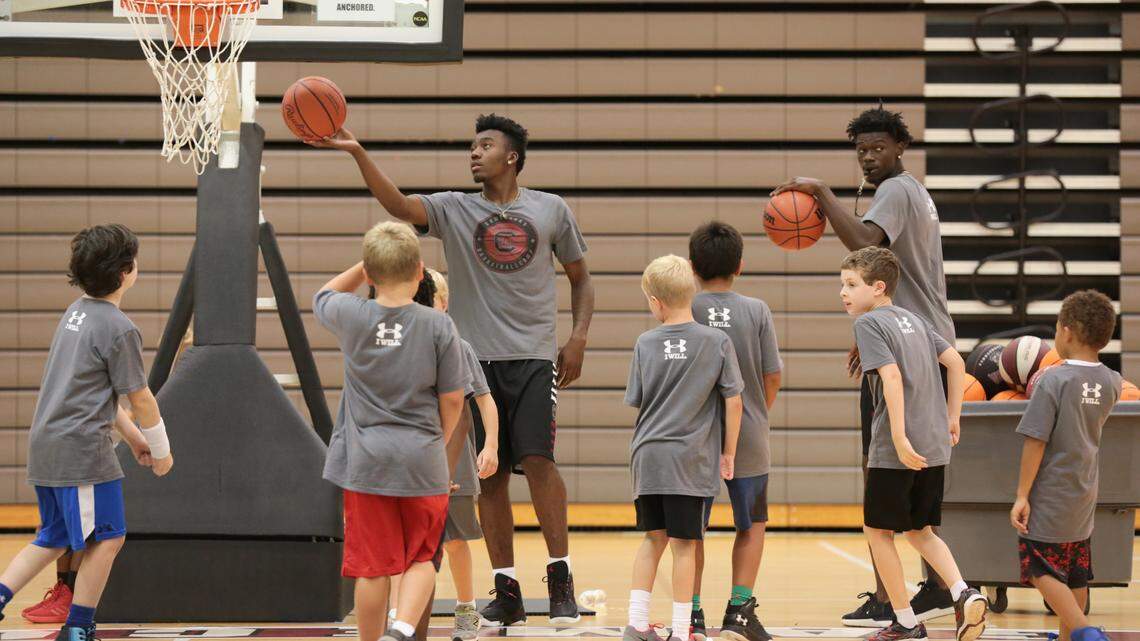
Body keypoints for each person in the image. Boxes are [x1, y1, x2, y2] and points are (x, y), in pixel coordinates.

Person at [309, 114, 594, 625]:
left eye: (485, 145)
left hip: (532, 355)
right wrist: (357, 153)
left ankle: (560, 579)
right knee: (491, 477)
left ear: (511, 157)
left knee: (539, 461)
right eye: (471, 145)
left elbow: (581, 278)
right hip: (473, 357)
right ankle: (506, 588)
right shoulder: (453, 208)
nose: (474, 152)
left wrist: (577, 337)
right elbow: (397, 207)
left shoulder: (551, 209)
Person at [773, 106, 956, 625]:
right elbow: (894, 276)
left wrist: (821, 194)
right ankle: (938, 586)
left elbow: (866, 245)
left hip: (912, 344)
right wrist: (882, 329)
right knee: (914, 473)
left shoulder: (895, 191)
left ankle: (888, 598)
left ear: (900, 149)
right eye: (862, 152)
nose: (870, 158)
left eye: (878, 149)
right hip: (920, 337)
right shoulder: (915, 191)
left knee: (882, 464)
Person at [0, 224, 173, 641]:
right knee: (108, 537)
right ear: (125, 273)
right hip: (83, 452)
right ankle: (78, 628)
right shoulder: (119, 327)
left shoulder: (76, 312)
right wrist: (162, 451)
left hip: (47, 445)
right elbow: (141, 397)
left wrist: (133, 439)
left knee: (54, 537)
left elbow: (96, 393)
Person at [313, 222, 469, 641]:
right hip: (422, 458)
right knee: (422, 557)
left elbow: (323, 294)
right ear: (420, 272)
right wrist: (438, 439)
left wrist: (367, 265)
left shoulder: (351, 315)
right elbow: (454, 398)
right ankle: (401, 629)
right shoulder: (439, 326)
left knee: (372, 567)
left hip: (367, 461)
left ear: (368, 273)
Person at [841, 247, 986, 641]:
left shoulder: (870, 325)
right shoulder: (916, 320)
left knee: (877, 531)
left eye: (852, 284)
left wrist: (900, 437)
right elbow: (956, 363)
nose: (844, 292)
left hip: (897, 446)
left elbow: (889, 377)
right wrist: (952, 417)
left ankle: (905, 622)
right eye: (843, 284)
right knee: (921, 530)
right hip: (936, 441)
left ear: (879, 287)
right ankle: (963, 592)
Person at [622, 255, 743, 641]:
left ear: (655, 301)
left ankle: (636, 625)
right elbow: (734, 401)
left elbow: (638, 399)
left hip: (648, 455)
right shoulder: (716, 341)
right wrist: (729, 452)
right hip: (689, 460)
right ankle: (680, 630)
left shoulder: (644, 342)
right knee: (686, 546)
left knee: (652, 538)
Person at [687, 222, 782, 641]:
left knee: (691, 528)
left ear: (692, 267)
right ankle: (739, 611)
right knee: (752, 524)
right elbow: (772, 375)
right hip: (749, 433)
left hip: (693, 437)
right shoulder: (756, 310)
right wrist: (754, 413)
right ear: (740, 266)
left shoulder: (683, 306)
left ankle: (690, 614)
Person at [1010, 290, 1119, 641]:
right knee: (1075, 571)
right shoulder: (1113, 382)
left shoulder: (1052, 380)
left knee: (1039, 568)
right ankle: (1072, 634)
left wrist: (1022, 495)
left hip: (1051, 494)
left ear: (1067, 331)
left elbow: (1036, 440)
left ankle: (1086, 631)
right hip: (1085, 490)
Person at [417, 268, 502, 641]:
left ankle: (466, 608)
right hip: (415, 461)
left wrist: (492, 445)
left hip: (456, 462)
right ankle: (405, 609)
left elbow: (484, 401)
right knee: (412, 541)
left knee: (455, 541)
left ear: (445, 302)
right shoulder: (409, 344)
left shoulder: (459, 346)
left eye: (431, 298)